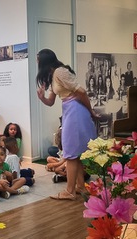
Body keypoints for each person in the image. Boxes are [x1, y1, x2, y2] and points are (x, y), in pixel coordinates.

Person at [36, 49, 97, 200]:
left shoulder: (59, 72)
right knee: (74, 152)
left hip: (75, 111)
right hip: (69, 110)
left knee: (70, 152)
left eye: (38, 60)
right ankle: (80, 187)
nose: (37, 63)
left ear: (44, 61)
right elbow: (50, 102)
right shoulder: (53, 75)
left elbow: (81, 92)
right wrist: (41, 97)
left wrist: (91, 111)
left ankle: (70, 191)